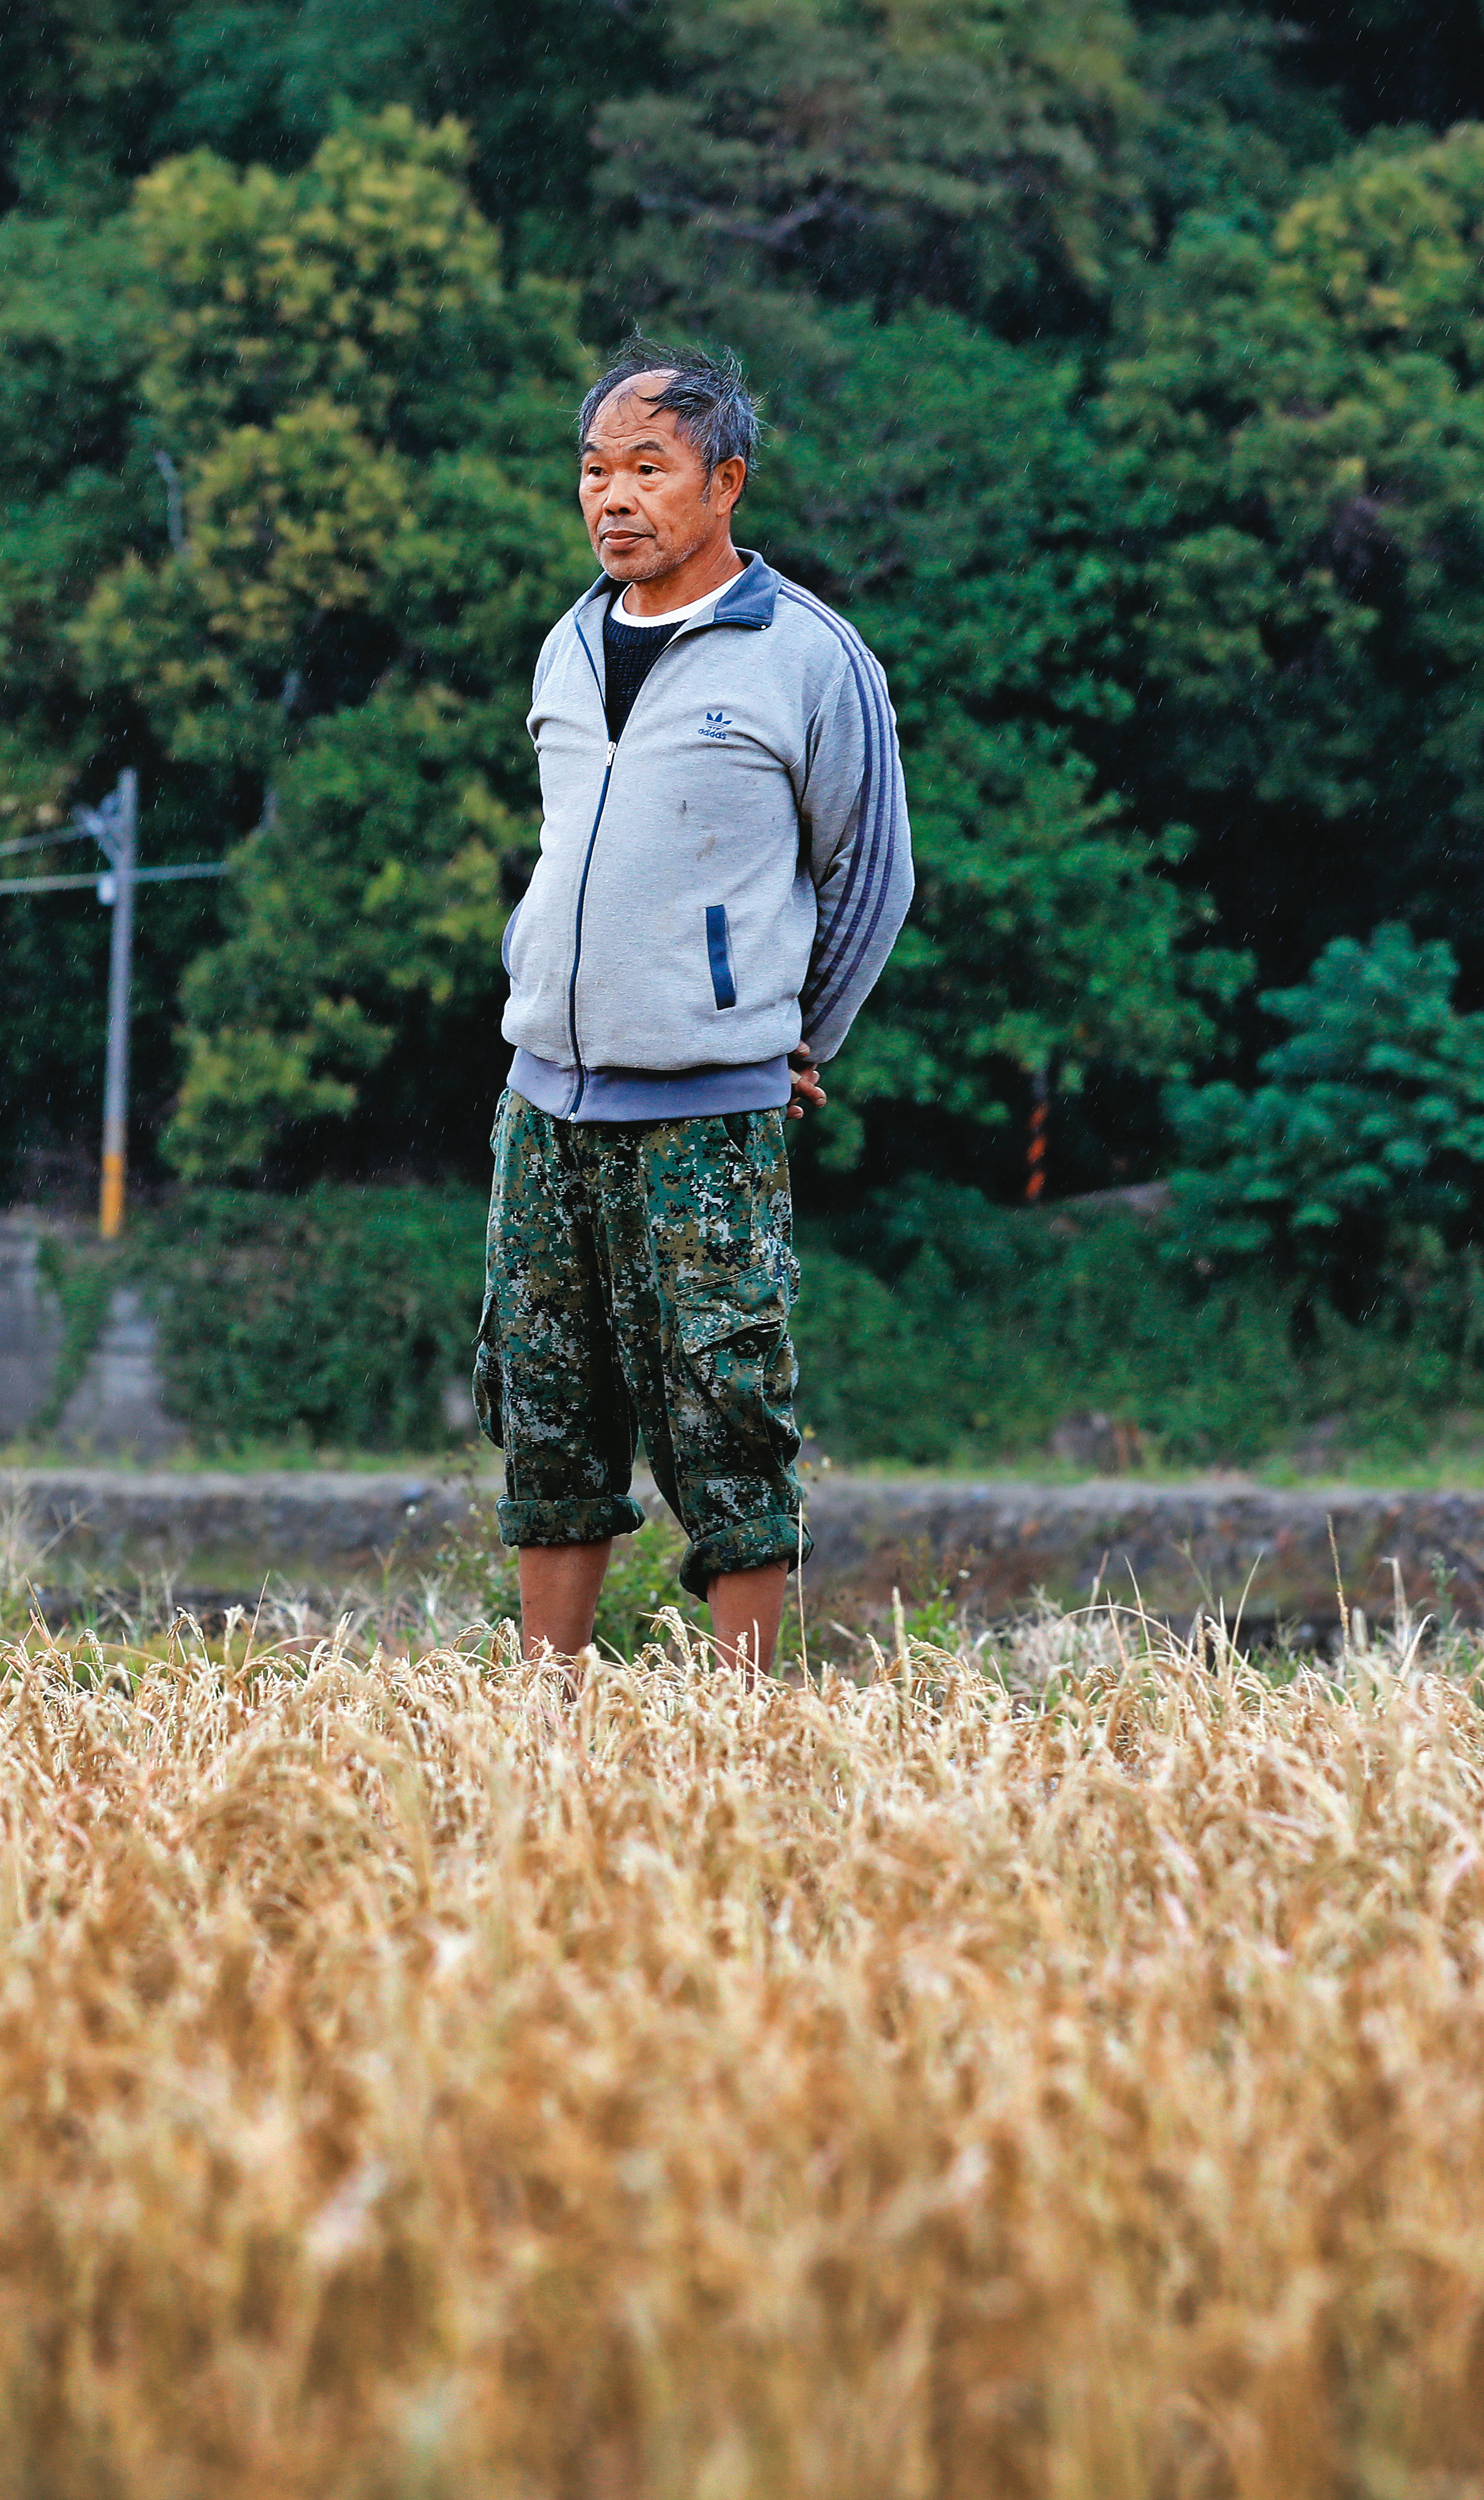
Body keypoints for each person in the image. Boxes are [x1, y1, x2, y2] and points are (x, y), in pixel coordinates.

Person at [478, 341, 912, 1671]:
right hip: (545, 1097)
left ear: (725, 482)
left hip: (707, 1112)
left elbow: (873, 872)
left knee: (727, 1401)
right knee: (547, 1404)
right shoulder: (564, 641)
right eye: (596, 471)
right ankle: (542, 1698)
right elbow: (566, 854)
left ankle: (740, 1714)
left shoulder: (810, 657)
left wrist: (792, 1036)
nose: (614, 499)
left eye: (647, 470)